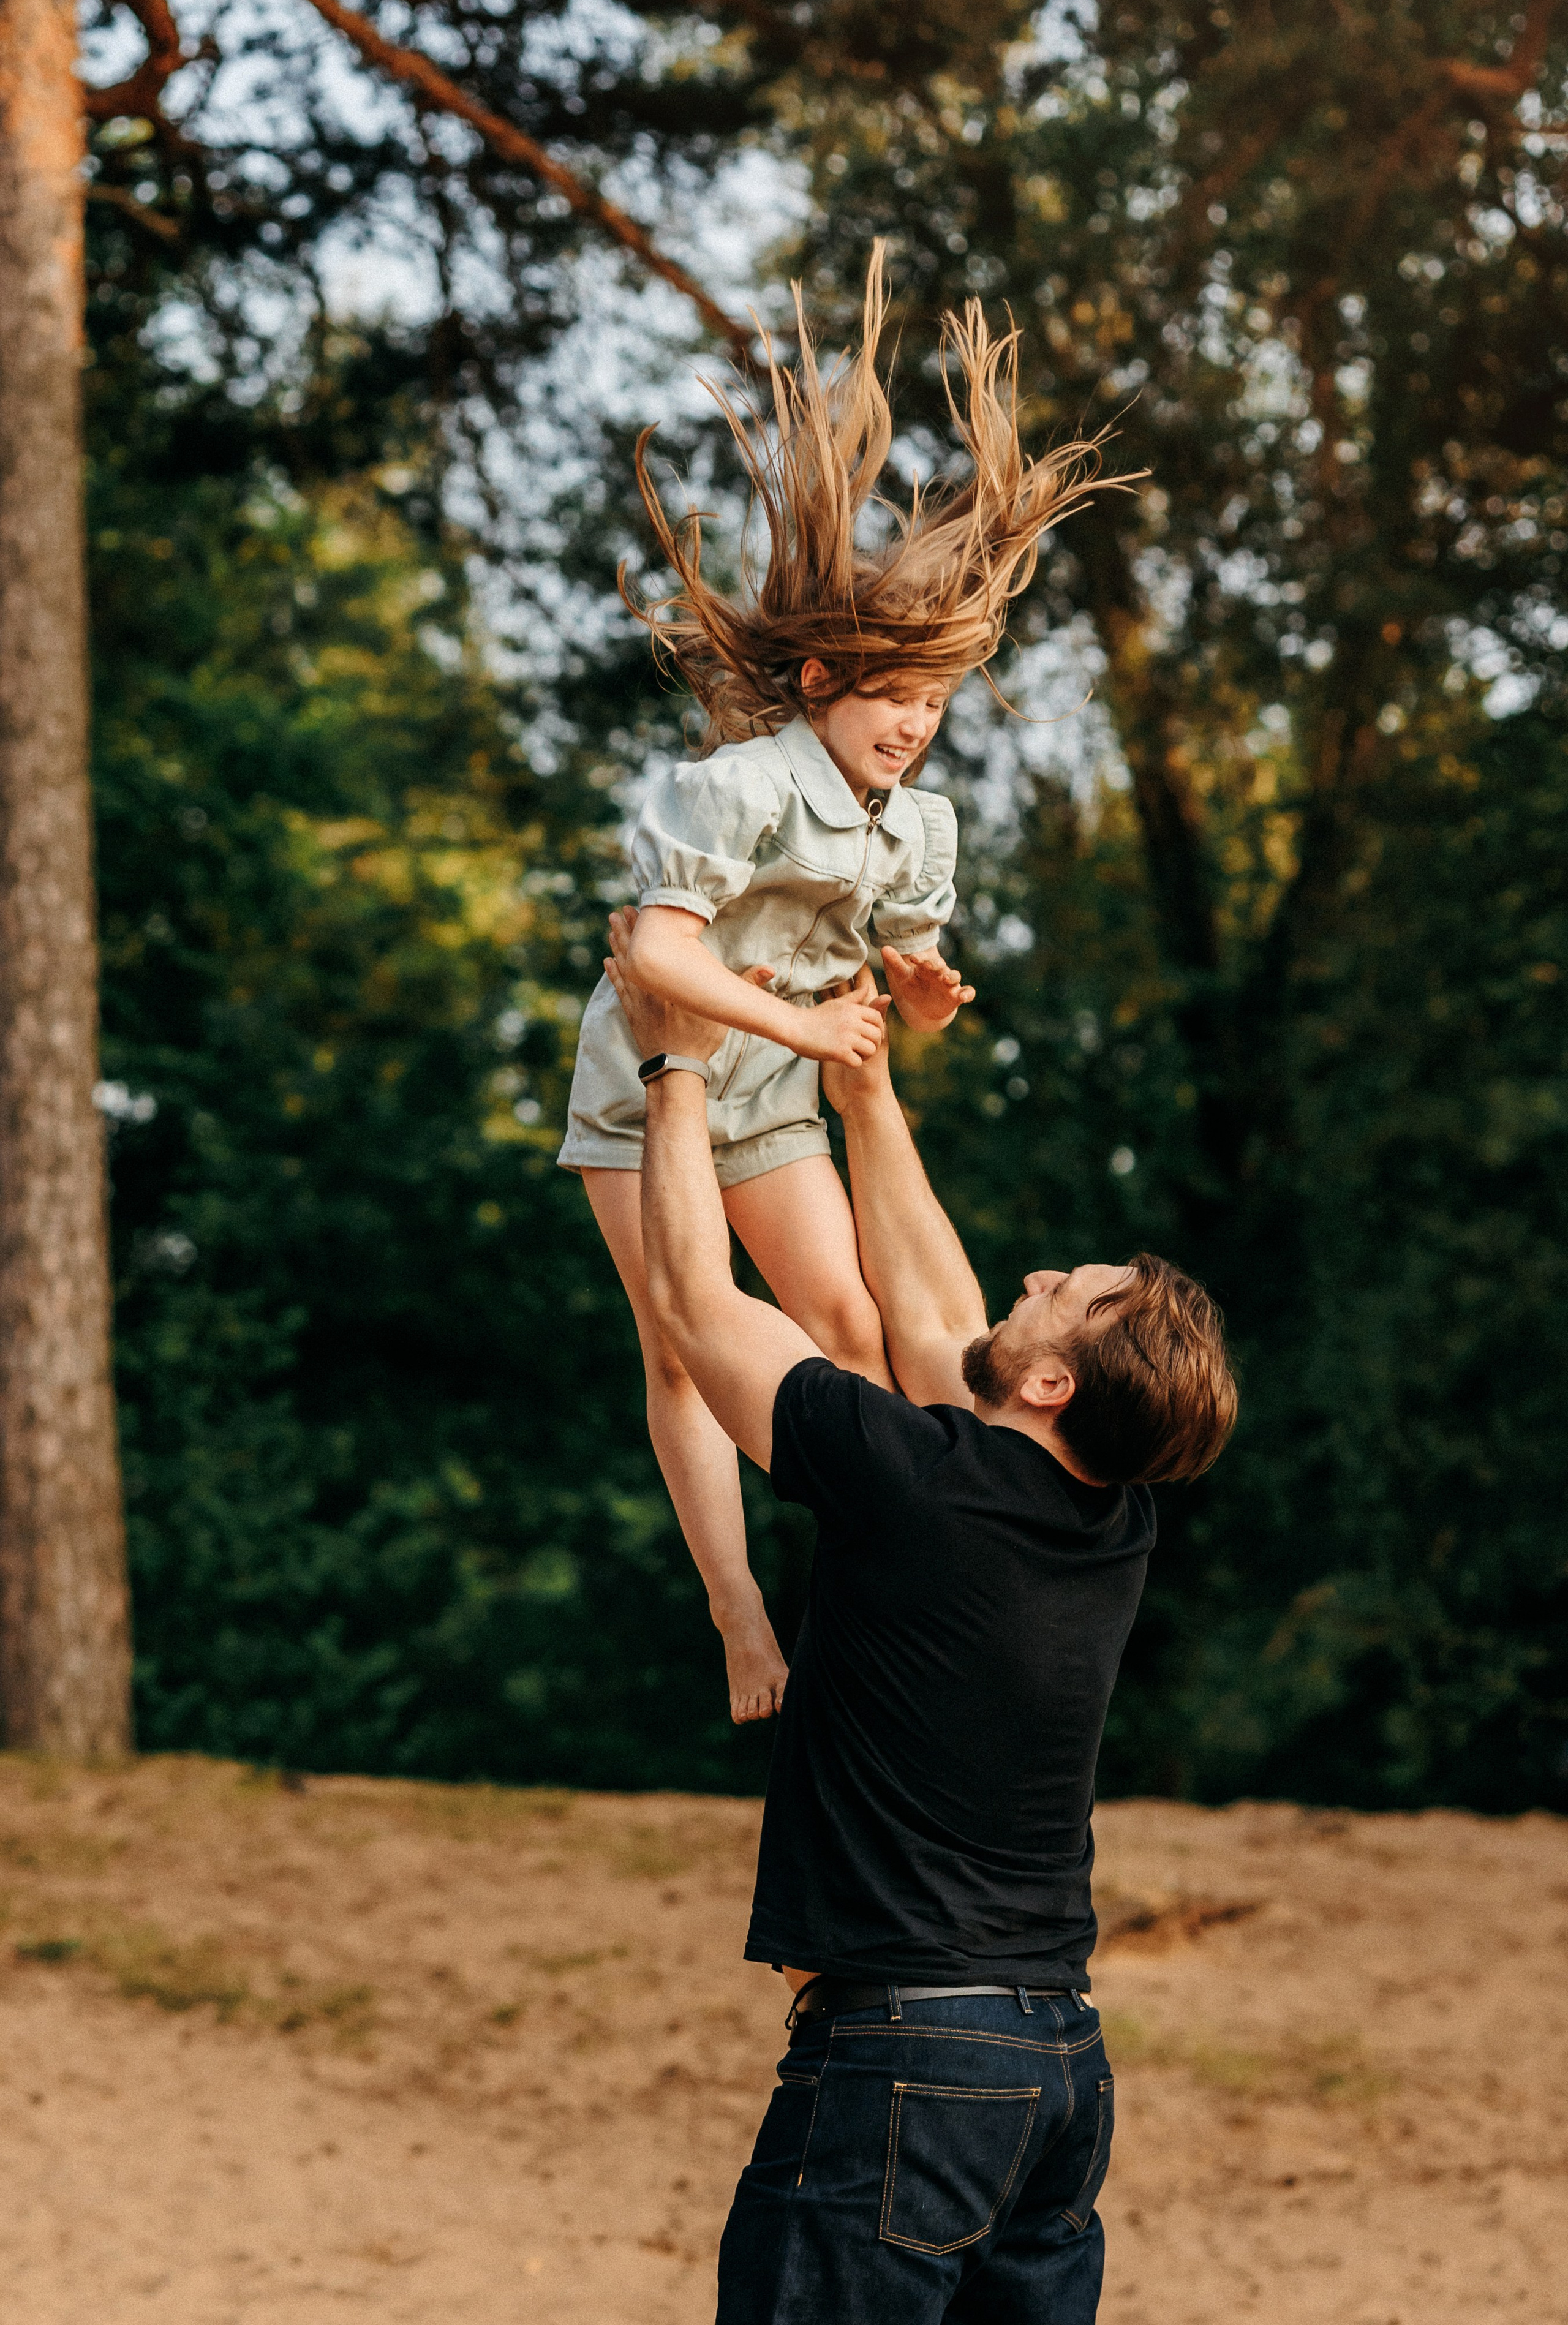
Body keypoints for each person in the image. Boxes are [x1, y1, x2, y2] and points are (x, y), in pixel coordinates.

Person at [603, 925, 1237, 2325]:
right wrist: (867, 1096)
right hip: (1052, 2075)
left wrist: (674, 1064)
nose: (1034, 1278)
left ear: (1057, 1385)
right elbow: (945, 1318)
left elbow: (693, 1305)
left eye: (1059, 1296)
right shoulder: (1108, 1520)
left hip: (905, 2068)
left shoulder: (906, 1477)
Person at [558, 244, 1134, 1725]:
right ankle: (743, 1618)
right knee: (685, 1345)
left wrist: (918, 992)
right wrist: (801, 1025)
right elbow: (656, 957)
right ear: (821, 685)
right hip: (653, 1077)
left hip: (778, 1083)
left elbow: (901, 953)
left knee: (862, 1324)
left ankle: (910, 1563)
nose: (916, 730)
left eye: (937, 706)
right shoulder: (735, 782)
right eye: (894, 698)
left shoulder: (919, 823)